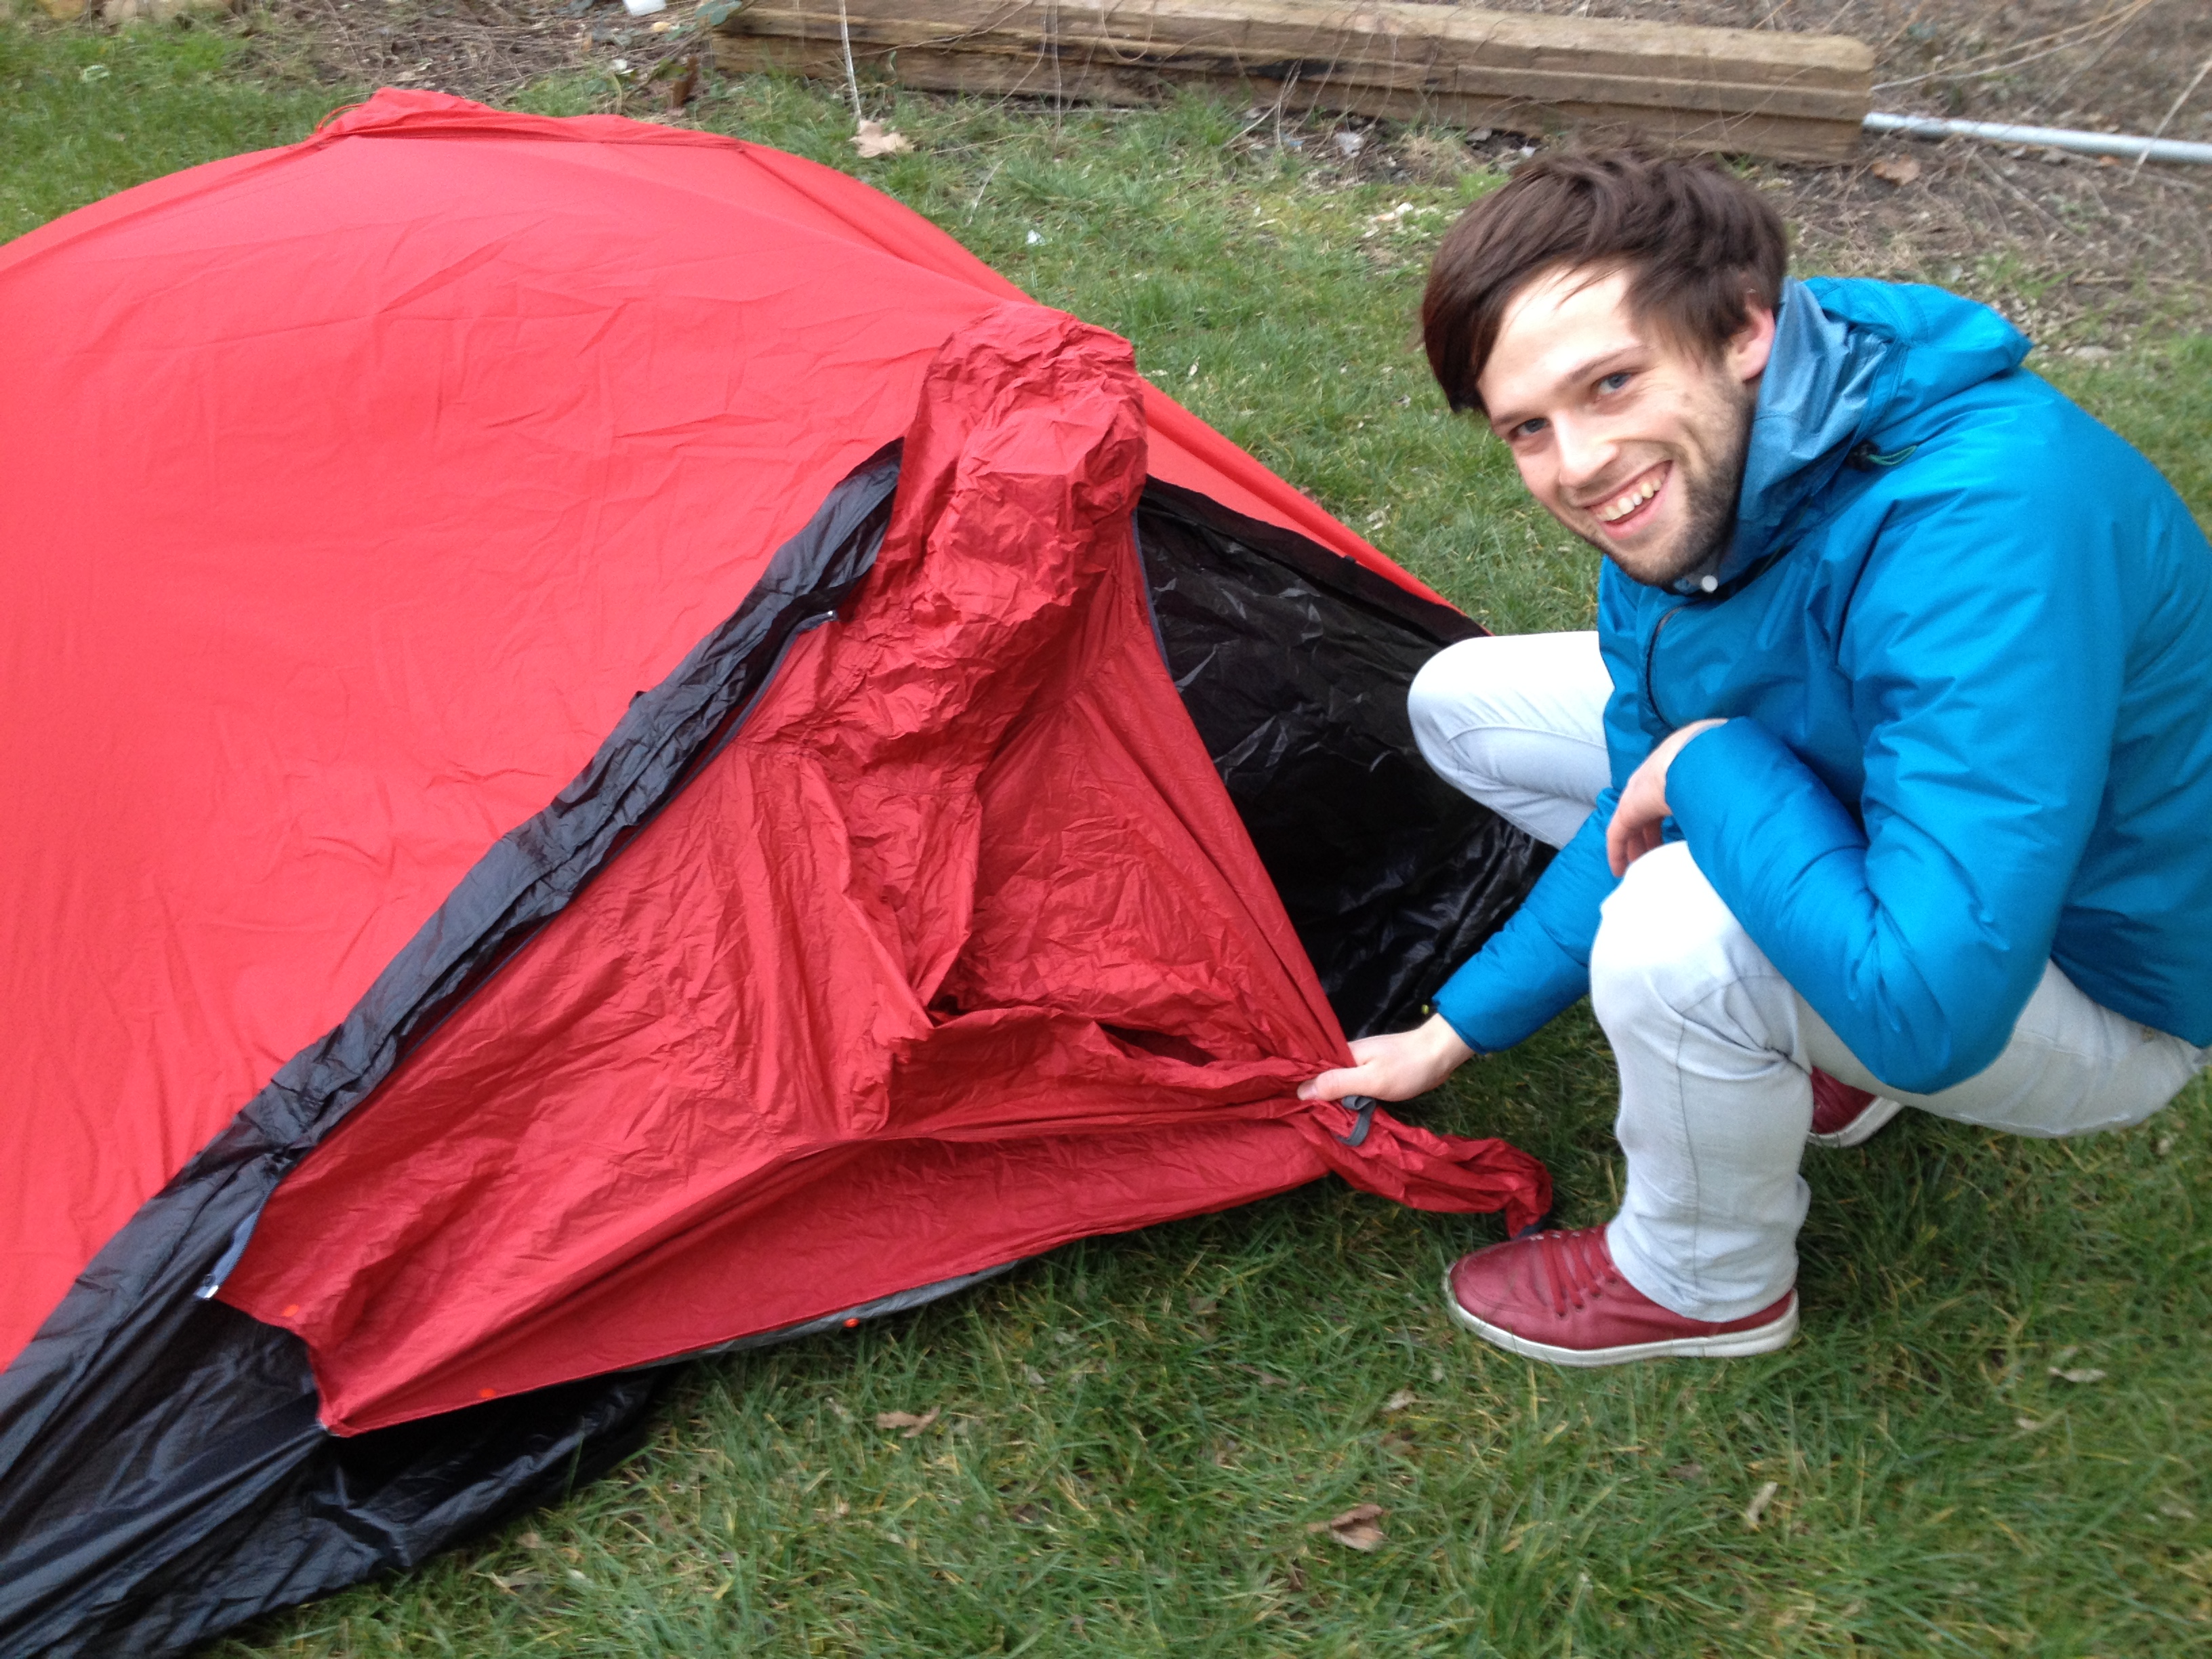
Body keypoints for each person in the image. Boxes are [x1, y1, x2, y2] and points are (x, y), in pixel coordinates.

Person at [1299, 150, 2212, 1367]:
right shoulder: (1709, 480)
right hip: (1903, 839)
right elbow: (1637, 785)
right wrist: (1451, 1032)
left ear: (1743, 330)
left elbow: (1930, 1014)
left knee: (1675, 926)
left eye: (1611, 382)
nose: (1578, 465)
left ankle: (1703, 1279)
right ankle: (1801, 1022)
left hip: (2090, 982)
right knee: (1464, 704)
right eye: (1530, 428)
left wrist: (1712, 767)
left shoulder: (1988, 520)